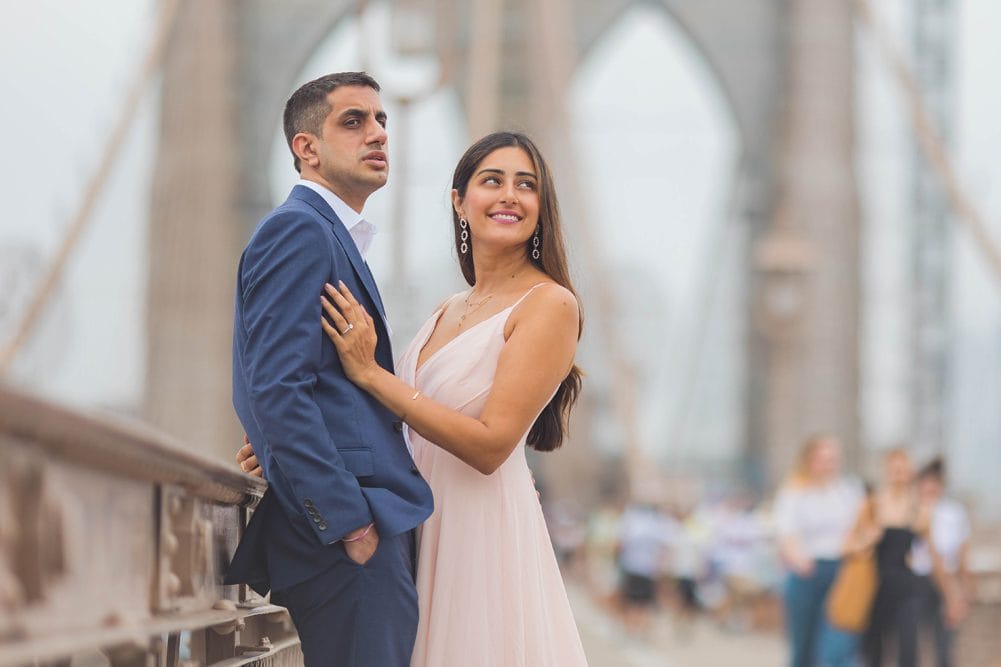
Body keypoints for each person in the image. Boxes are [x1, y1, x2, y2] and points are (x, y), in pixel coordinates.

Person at [242, 131, 588, 665]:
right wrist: (276, 448)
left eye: (527, 185)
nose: (509, 196)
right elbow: (394, 429)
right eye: (491, 181)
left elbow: (491, 445)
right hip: (414, 523)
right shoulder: (448, 309)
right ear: (459, 200)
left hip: (478, 528)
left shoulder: (550, 305)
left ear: (542, 208)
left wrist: (371, 374)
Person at [224, 72, 434, 667]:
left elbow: (287, 386)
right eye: (354, 121)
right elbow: (274, 389)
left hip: (362, 532)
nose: (378, 133)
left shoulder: (329, 236)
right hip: (349, 540)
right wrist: (348, 525)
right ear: (306, 148)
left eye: (382, 121)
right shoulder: (300, 231)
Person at [773, 434, 865, 667]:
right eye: (823, 459)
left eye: (833, 459)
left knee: (838, 647)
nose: (829, 465)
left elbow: (861, 527)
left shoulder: (848, 491)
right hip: (807, 572)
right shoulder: (794, 491)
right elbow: (786, 533)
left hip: (841, 571)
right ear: (809, 461)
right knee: (803, 648)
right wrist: (798, 559)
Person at [862, 448, 933, 667]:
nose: (898, 475)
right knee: (874, 648)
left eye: (903, 471)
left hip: (906, 586)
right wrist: (868, 539)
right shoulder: (873, 505)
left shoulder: (920, 510)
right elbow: (849, 544)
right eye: (894, 470)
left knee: (908, 648)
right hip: (875, 583)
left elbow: (929, 553)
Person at [910, 458, 973, 667]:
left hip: (948, 582)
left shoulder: (954, 512)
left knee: (944, 644)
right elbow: (929, 553)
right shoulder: (914, 511)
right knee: (913, 644)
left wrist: (963, 592)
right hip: (920, 582)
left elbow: (963, 554)